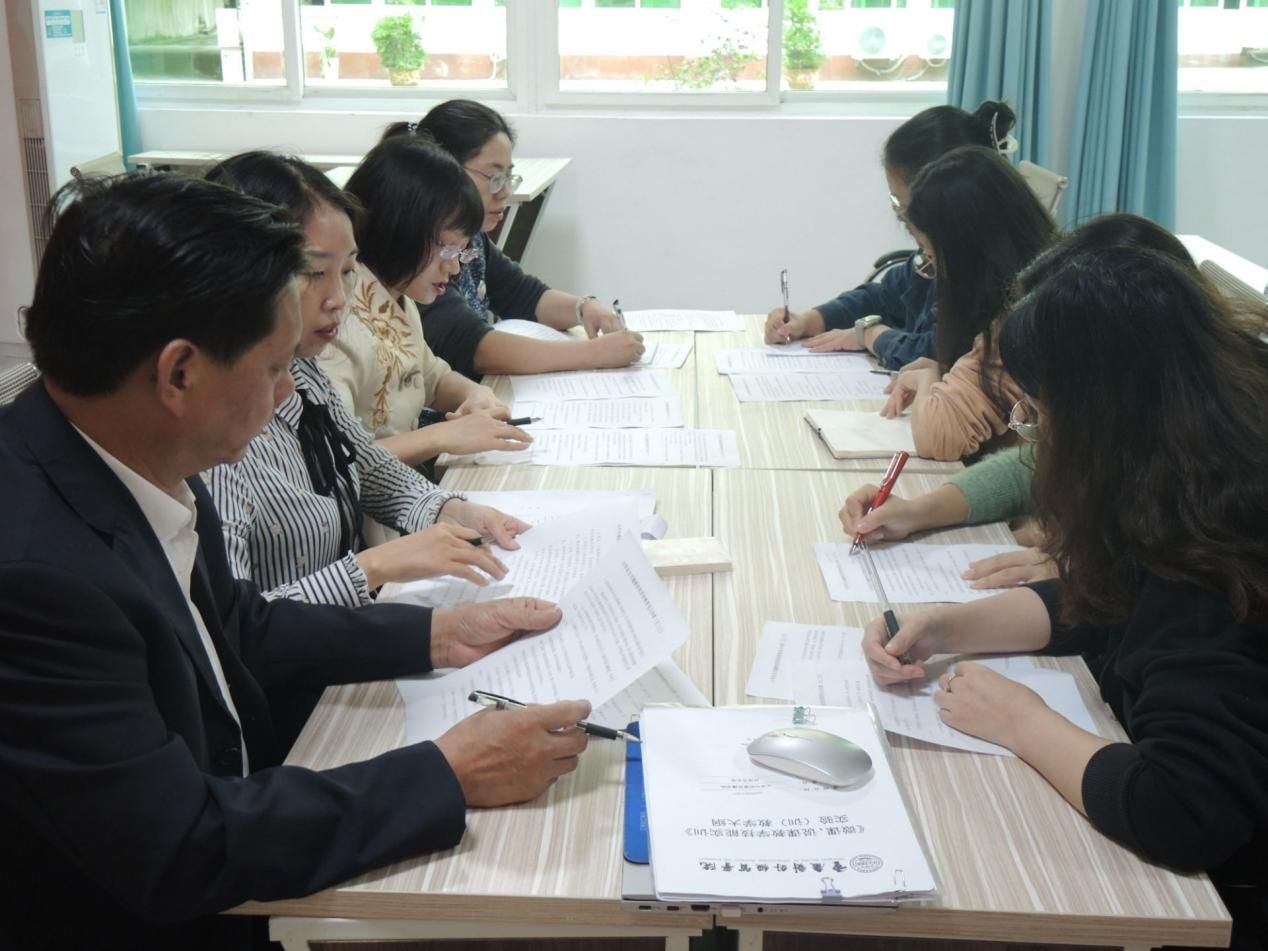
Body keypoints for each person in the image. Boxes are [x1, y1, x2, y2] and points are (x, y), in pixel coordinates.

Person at [0, 172, 591, 949]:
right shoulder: (36, 576)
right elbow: (180, 846)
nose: (288, 394)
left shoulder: (139, 450)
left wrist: (439, 635)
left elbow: (236, 626)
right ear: (179, 374)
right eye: (273, 368)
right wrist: (446, 772)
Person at [863, 244, 1268, 948]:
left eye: (1039, 414)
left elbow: (1180, 807)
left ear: (1099, 416)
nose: (1035, 437)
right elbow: (1109, 604)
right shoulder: (1188, 479)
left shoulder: (1219, 546)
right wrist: (948, 627)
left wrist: (1020, 720)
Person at [203, 151, 529, 604]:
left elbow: (362, 461)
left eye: (348, 271)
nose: (340, 298)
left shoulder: (304, 364)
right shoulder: (210, 435)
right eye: (314, 273)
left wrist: (449, 509)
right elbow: (237, 624)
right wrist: (373, 567)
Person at [841, 214, 1201, 587]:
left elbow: (1157, 580)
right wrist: (917, 512)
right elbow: (1028, 467)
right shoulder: (1140, 422)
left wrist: (1089, 571)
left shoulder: (1201, 491)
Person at [389, 99, 646, 379]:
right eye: (493, 176)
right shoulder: (422, 252)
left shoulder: (473, 241)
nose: (504, 192)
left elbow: (523, 295)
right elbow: (476, 348)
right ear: (444, 169)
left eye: (508, 177)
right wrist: (594, 353)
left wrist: (583, 307)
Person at [764, 100, 1018, 369]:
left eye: (903, 204)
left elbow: (939, 353)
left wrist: (872, 335)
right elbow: (883, 297)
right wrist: (810, 320)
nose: (900, 216)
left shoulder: (986, 277)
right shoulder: (934, 257)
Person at [878, 146, 1055, 461]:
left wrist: (929, 380)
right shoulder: (1043, 283)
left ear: (966, 252)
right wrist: (940, 372)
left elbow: (938, 439)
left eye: (932, 253)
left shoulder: (1023, 319)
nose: (934, 269)